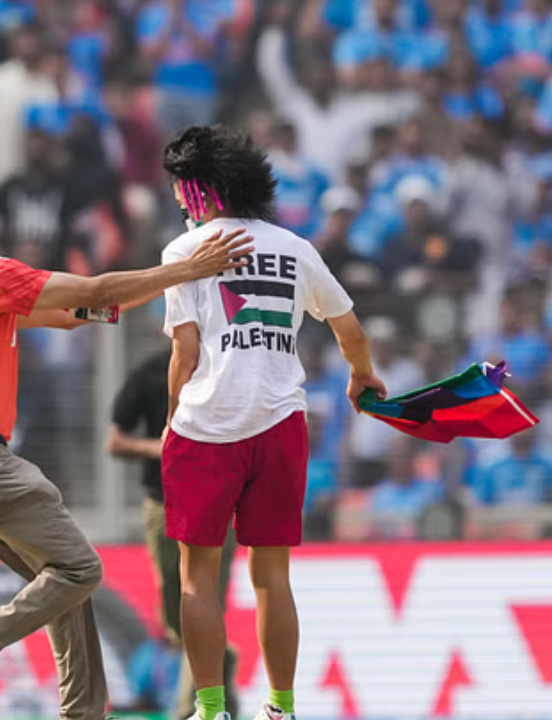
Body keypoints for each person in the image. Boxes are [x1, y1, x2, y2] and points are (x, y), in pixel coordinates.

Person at [0, 160, 252, 720]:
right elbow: (95, 289)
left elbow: (74, 311)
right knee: (80, 571)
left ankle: (84, 712)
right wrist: (188, 269)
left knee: (61, 579)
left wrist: (121, 298)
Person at [157, 125, 386, 720]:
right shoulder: (296, 247)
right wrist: (362, 376)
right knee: (271, 576)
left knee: (196, 579)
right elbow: (350, 331)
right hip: (281, 422)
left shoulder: (185, 252)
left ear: (203, 189)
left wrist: (169, 420)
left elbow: (185, 354)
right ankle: (280, 708)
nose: (179, 200)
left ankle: (210, 711)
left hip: (207, 425)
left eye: (183, 189)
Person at [106, 348, 240, 720]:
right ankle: (218, 666)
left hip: (215, 503)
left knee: (205, 602)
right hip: (162, 505)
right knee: (174, 613)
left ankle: (190, 710)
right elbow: (115, 441)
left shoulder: (228, 371)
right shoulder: (148, 374)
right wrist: (162, 447)